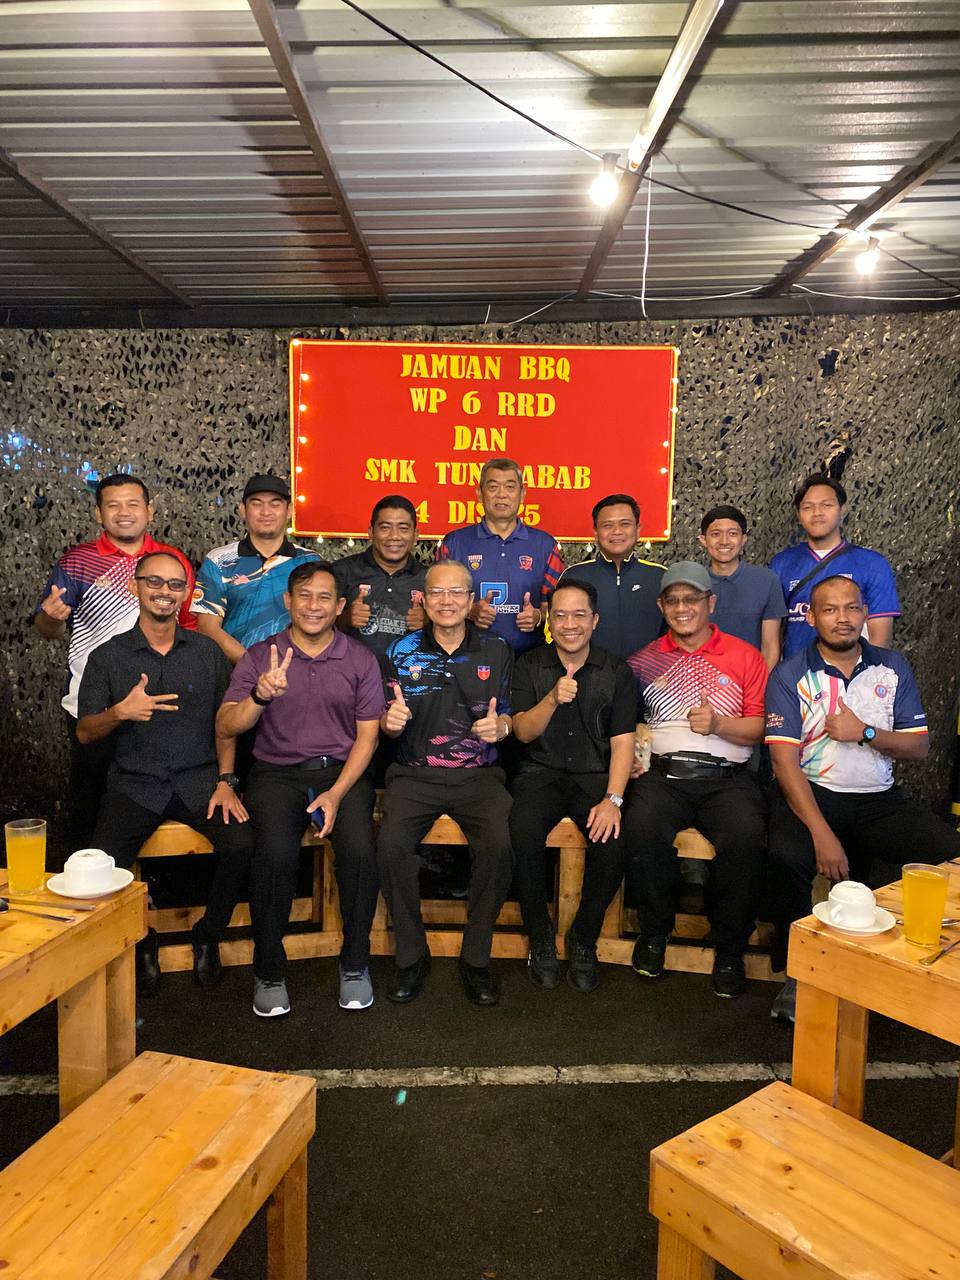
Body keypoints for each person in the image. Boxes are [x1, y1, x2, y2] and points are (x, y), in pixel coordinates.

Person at [764, 574, 960, 1020]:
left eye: (852, 608)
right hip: (813, 795)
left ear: (865, 613)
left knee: (950, 855)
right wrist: (822, 835)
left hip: (879, 801)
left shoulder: (892, 667)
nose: (843, 618)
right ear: (811, 618)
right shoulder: (791, 673)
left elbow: (919, 746)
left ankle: (922, 965)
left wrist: (865, 733)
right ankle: (797, 975)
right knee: (786, 858)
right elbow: (783, 763)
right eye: (830, 610)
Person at [210, 560, 384, 1018]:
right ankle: (269, 970)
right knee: (273, 856)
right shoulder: (260, 656)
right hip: (276, 773)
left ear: (340, 606)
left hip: (341, 774)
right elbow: (226, 725)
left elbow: (368, 736)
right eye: (304, 596)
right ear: (287, 601)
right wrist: (259, 695)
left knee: (360, 852)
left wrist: (337, 793)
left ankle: (355, 964)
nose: (313, 606)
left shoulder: (360, 658)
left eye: (324, 597)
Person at [76, 552, 252, 997]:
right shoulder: (107, 656)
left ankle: (208, 934)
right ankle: (142, 939)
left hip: (199, 781)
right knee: (98, 869)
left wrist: (226, 782)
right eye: (154, 581)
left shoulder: (208, 653)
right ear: (134, 586)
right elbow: (85, 732)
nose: (164, 592)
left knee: (243, 845)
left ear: (187, 595)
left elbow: (225, 724)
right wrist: (119, 712)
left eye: (175, 585)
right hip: (135, 785)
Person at [625, 562, 769, 998]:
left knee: (746, 838)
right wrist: (634, 757)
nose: (682, 608)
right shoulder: (643, 661)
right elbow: (628, 724)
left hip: (727, 778)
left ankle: (729, 948)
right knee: (640, 828)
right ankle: (655, 931)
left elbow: (762, 727)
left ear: (711, 603)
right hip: (663, 776)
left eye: (692, 599)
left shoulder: (746, 656)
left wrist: (719, 725)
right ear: (661, 606)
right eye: (673, 600)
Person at [35, 473, 197, 850]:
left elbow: (190, 628)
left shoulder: (172, 561)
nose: (124, 512)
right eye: (113, 505)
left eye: (133, 504)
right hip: (93, 705)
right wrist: (52, 617)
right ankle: (83, 883)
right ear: (98, 514)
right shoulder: (77, 562)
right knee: (89, 805)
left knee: (154, 803)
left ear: (149, 510)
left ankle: (145, 883)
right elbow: (48, 629)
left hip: (159, 705)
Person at [378, 560, 514, 1007]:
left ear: (471, 600)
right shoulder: (399, 650)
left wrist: (501, 728)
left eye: (457, 592)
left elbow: (509, 714)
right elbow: (383, 718)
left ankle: (476, 958)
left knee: (499, 847)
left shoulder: (497, 649)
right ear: (423, 599)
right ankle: (411, 956)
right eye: (437, 592)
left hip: (479, 774)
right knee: (391, 846)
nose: (447, 601)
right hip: (414, 773)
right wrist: (389, 724)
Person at [510, 579, 635, 992]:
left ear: (594, 620)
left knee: (612, 839)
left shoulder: (616, 670)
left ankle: (584, 936)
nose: (569, 624)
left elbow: (623, 742)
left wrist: (613, 799)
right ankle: (540, 936)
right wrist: (551, 699)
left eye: (579, 615)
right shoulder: (529, 665)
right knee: (521, 832)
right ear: (548, 620)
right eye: (560, 615)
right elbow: (522, 733)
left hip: (594, 777)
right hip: (540, 773)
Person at [438, 457, 564, 654]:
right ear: (480, 494)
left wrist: (538, 617)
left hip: (528, 658)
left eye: (510, 487)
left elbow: (561, 605)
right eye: (493, 487)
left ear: (522, 494)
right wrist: (469, 611)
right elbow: (436, 600)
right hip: (466, 657)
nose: (502, 494)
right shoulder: (454, 544)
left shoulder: (545, 545)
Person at [770, 474, 900, 659]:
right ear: (798, 515)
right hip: (797, 672)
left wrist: (869, 674)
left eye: (827, 505)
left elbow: (880, 639)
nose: (817, 512)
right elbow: (772, 634)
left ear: (842, 510)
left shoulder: (872, 563)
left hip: (853, 672)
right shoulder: (781, 563)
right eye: (808, 507)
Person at [192, 473, 318, 664]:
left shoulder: (310, 562)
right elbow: (208, 628)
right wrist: (252, 667)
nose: (266, 512)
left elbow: (320, 622)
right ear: (243, 510)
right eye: (257, 504)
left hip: (299, 672)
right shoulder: (219, 561)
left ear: (289, 510)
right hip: (234, 674)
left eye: (275, 504)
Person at [558, 493, 664, 658]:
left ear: (638, 530)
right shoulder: (574, 576)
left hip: (650, 672)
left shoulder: (660, 576)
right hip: (588, 672)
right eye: (607, 525)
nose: (617, 531)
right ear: (595, 532)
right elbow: (555, 630)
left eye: (625, 524)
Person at [335, 495, 427, 664]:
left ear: (415, 535)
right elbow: (315, 624)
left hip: (411, 676)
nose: (394, 536)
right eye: (385, 528)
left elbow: (450, 634)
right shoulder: (342, 571)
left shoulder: (428, 579)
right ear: (371, 532)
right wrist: (346, 619)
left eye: (403, 528)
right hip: (350, 675)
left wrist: (429, 622)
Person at [698, 505, 786, 670]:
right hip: (700, 678)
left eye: (732, 533)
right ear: (703, 540)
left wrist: (761, 684)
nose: (724, 541)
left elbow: (770, 647)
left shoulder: (766, 580)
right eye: (716, 534)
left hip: (751, 678)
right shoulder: (694, 582)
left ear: (743, 539)